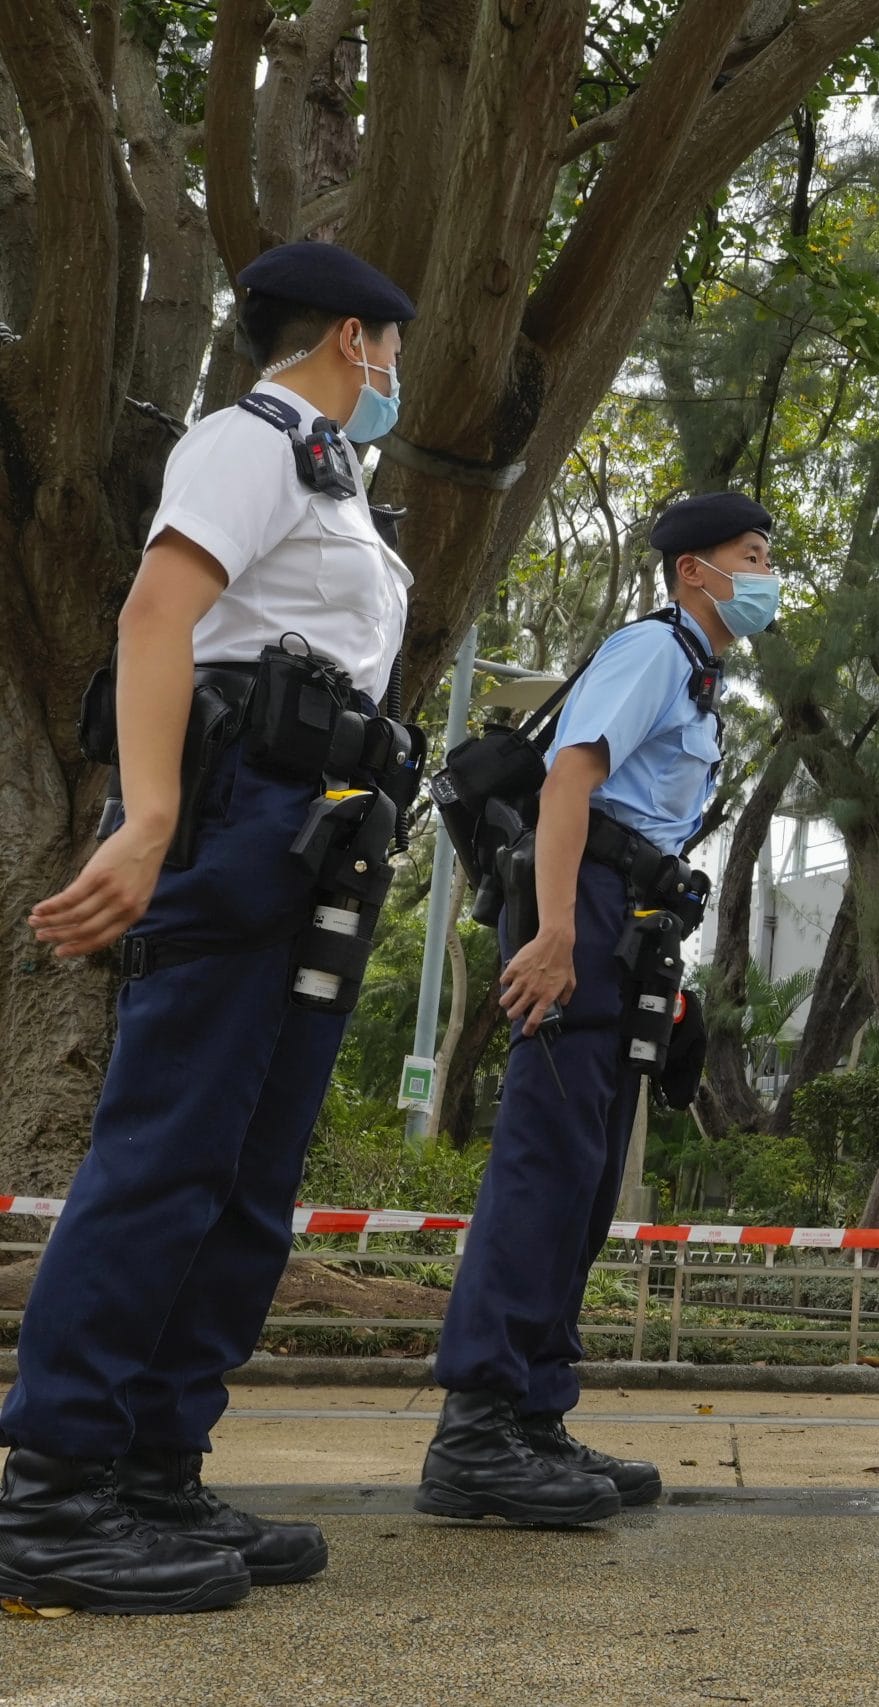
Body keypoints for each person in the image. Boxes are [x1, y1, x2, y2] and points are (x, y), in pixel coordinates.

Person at [0, 241, 418, 1612]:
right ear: (358, 337)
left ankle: (155, 1463)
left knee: (247, 1165)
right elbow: (155, 615)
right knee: (168, 1148)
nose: (397, 373)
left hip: (312, 826)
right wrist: (150, 811)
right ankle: (57, 1482)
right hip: (237, 810)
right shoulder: (248, 442)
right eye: (394, 347)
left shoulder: (332, 477)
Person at [416, 492, 775, 1527]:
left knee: (584, 1173)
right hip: (587, 906)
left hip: (634, 919)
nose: (764, 576)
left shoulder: (700, 683)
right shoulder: (654, 649)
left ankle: (533, 1413)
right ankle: (476, 1430)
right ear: (692, 571)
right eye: (748, 557)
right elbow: (572, 782)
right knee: (544, 1162)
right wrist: (558, 931)